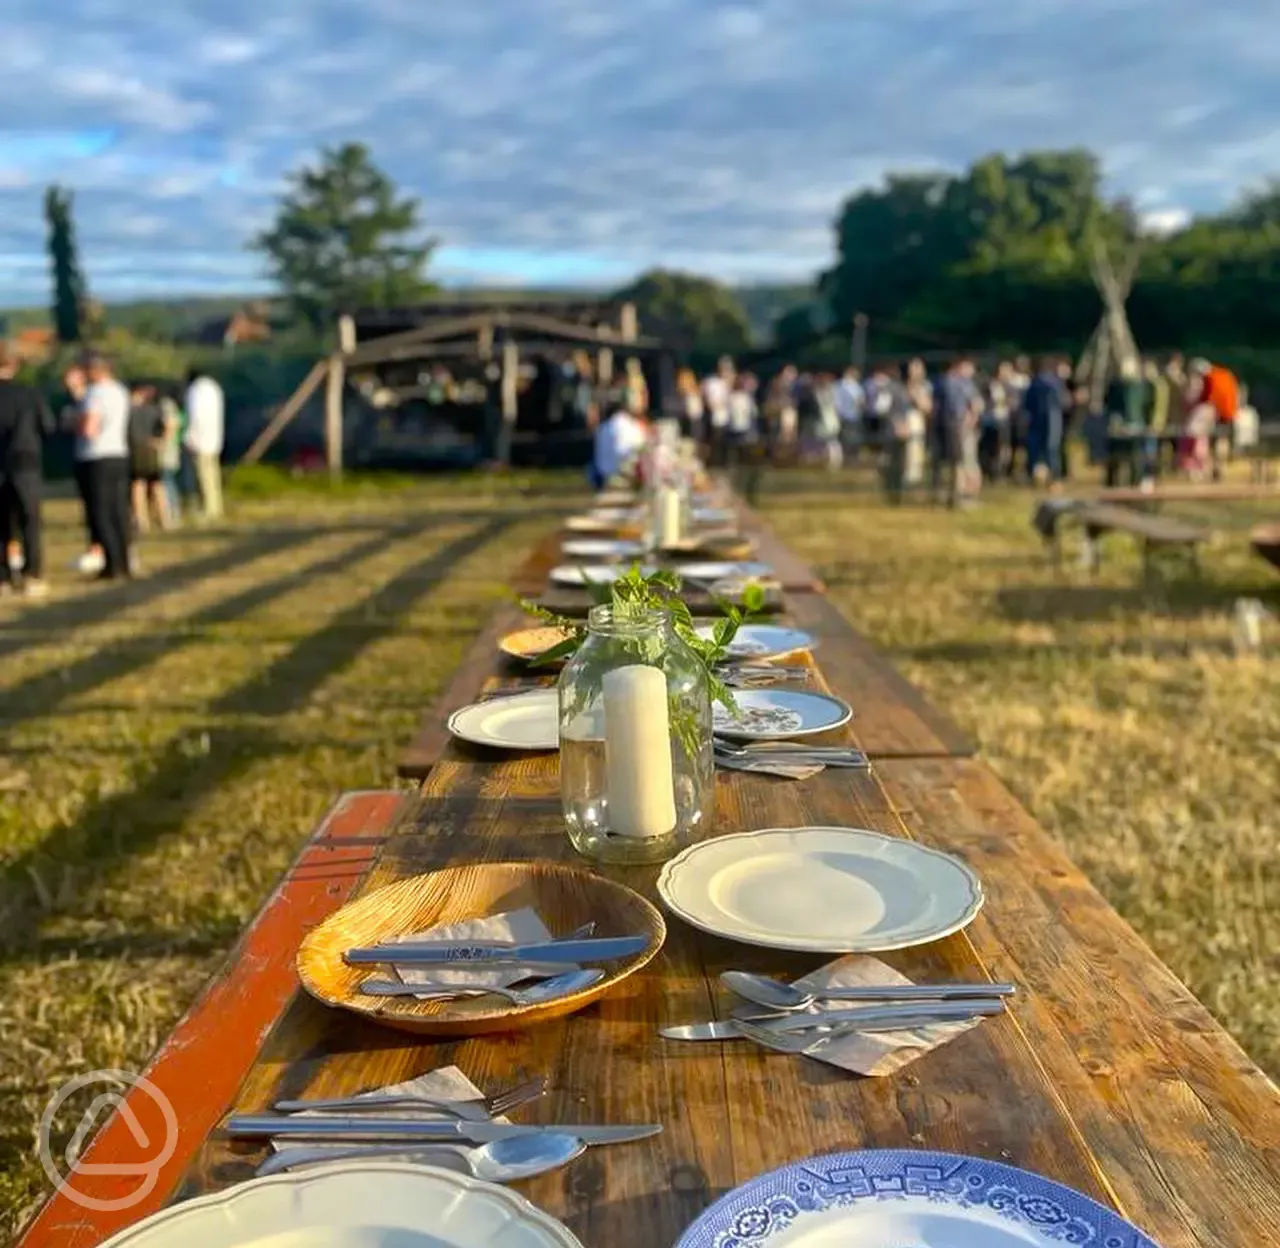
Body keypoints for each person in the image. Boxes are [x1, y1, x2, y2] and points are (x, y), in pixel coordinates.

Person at [0, 343, 54, 597]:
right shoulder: (31, 394)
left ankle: (4, 576)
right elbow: (48, 426)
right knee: (29, 521)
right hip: (27, 462)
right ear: (15, 365)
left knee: (2, 523)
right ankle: (33, 574)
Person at [78, 353, 133, 580]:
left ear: (94, 371)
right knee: (119, 510)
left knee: (100, 511)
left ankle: (111, 563)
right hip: (118, 453)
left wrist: (73, 422)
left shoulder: (94, 393)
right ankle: (124, 559)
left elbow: (89, 428)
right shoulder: (120, 391)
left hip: (96, 454)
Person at [931, 356, 980, 506]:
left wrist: (971, 418)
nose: (972, 371)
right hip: (953, 425)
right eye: (969, 367)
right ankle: (956, 496)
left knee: (956, 461)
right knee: (957, 461)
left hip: (955, 425)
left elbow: (974, 404)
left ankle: (954, 495)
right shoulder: (951, 382)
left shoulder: (956, 382)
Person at [128, 381, 170, 533]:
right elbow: (167, 425)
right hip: (152, 448)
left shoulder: (129, 410)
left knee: (138, 485)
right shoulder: (155, 409)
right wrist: (162, 441)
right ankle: (164, 519)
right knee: (157, 484)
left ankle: (142, 520)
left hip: (136, 448)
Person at [184, 367, 225, 522]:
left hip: (200, 440)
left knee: (203, 476)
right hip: (214, 438)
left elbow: (195, 415)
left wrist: (189, 437)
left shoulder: (195, 390)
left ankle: (207, 508)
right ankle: (215, 506)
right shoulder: (214, 388)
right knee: (213, 475)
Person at [1023, 358, 1067, 486]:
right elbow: (1064, 402)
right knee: (1052, 448)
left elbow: (1027, 403)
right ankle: (1055, 477)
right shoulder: (1056, 383)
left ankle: (1035, 475)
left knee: (1035, 448)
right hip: (1053, 417)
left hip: (1036, 418)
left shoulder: (1034, 382)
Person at [590, 392, 647, 489]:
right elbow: (640, 448)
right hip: (624, 477)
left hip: (603, 478)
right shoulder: (631, 425)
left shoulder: (603, 428)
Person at [902, 359, 932, 487]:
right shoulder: (903, 386)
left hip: (916, 420)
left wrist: (916, 398)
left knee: (915, 451)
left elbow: (927, 406)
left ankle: (913, 481)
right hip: (903, 420)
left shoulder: (925, 387)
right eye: (913, 368)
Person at [701, 357, 733, 466]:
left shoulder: (726, 383)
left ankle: (722, 462)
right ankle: (713, 462)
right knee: (714, 440)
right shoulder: (711, 382)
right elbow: (707, 397)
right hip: (714, 416)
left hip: (724, 416)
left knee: (724, 441)